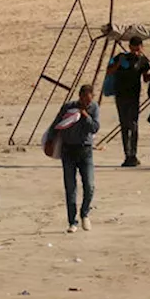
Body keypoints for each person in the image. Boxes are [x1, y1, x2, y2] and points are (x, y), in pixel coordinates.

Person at [51, 85, 100, 233]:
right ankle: (72, 221)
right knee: (70, 188)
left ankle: (85, 213)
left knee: (90, 185)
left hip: (85, 151)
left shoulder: (93, 108)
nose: (87, 103)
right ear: (80, 96)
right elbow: (56, 125)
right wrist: (50, 143)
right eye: (84, 99)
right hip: (68, 151)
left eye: (89, 100)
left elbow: (95, 128)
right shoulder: (68, 107)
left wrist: (85, 116)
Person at [106, 36, 150, 167]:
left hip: (134, 97)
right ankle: (128, 155)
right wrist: (118, 64)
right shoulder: (120, 57)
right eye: (134, 50)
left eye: (138, 50)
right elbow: (109, 71)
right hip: (121, 96)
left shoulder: (143, 61)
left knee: (133, 125)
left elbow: (145, 78)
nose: (136, 52)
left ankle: (133, 154)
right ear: (129, 47)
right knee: (124, 125)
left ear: (141, 48)